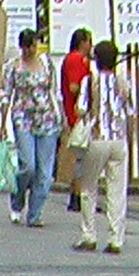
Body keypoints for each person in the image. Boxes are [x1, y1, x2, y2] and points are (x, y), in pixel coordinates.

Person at [73, 39, 134, 255]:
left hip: (97, 138)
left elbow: (81, 109)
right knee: (117, 190)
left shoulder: (89, 82)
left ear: (97, 61)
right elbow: (130, 111)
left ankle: (89, 235)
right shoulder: (123, 82)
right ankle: (116, 238)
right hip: (119, 140)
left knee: (89, 188)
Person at [0, 28, 63, 228]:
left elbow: (54, 91)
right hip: (23, 117)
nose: (30, 50)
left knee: (45, 171)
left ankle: (35, 214)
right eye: (26, 46)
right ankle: (17, 200)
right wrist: (2, 123)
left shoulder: (46, 64)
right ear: (21, 47)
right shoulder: (13, 67)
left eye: (33, 46)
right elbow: (6, 94)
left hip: (47, 118)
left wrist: (61, 116)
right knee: (28, 165)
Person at [61, 28, 93, 212]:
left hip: (76, 113)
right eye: (89, 41)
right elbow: (74, 87)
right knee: (83, 157)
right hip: (78, 114)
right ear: (83, 42)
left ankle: (77, 194)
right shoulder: (76, 59)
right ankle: (78, 195)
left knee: (82, 157)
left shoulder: (78, 60)